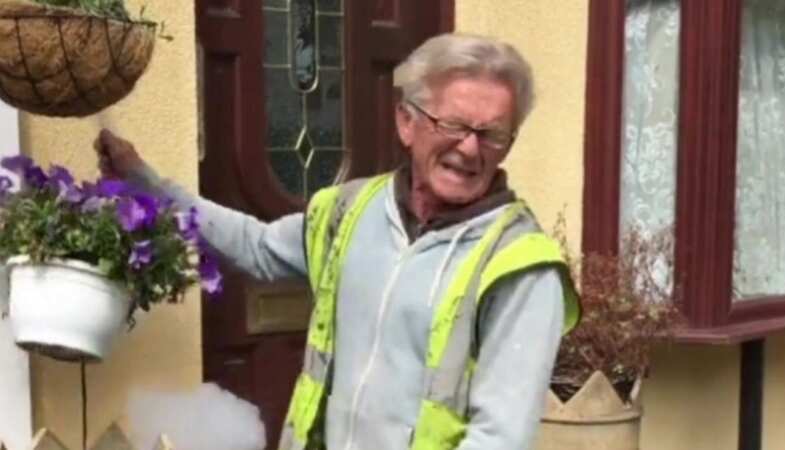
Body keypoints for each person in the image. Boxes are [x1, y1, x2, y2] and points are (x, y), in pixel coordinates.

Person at [96, 33, 578, 450]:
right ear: (406, 122)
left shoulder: (520, 265)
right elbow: (257, 246)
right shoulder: (350, 210)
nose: (470, 148)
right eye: (452, 125)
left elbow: (501, 438)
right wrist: (149, 185)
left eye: (491, 134)